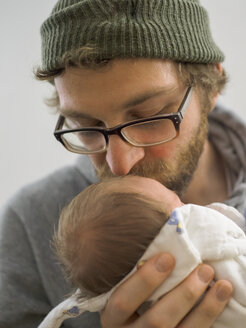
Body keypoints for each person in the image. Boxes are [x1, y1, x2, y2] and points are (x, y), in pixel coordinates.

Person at [1, 0, 246, 327]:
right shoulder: (32, 224)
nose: (119, 165)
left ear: (209, 86)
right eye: (87, 124)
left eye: (148, 118)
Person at [39, 175, 246, 328]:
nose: (121, 160)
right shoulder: (217, 247)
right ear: (175, 231)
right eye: (180, 205)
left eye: (145, 116)